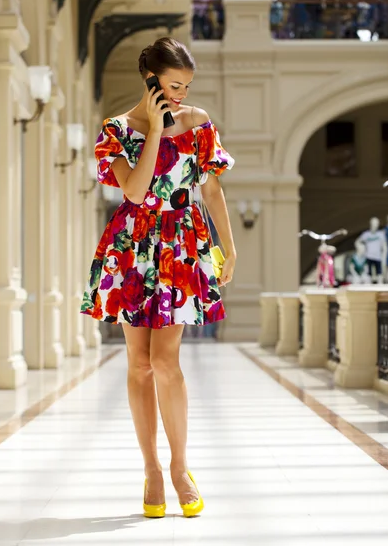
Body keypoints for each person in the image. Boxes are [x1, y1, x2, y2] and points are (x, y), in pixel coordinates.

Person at [81, 37, 236, 518]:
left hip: (182, 247)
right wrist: (153, 129)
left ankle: (179, 466)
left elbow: (210, 191)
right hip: (132, 248)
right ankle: (150, 469)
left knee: (166, 361)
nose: (182, 95)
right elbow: (133, 189)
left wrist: (228, 248)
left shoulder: (199, 123)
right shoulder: (117, 129)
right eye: (173, 85)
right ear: (150, 80)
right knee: (139, 363)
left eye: (187, 86)